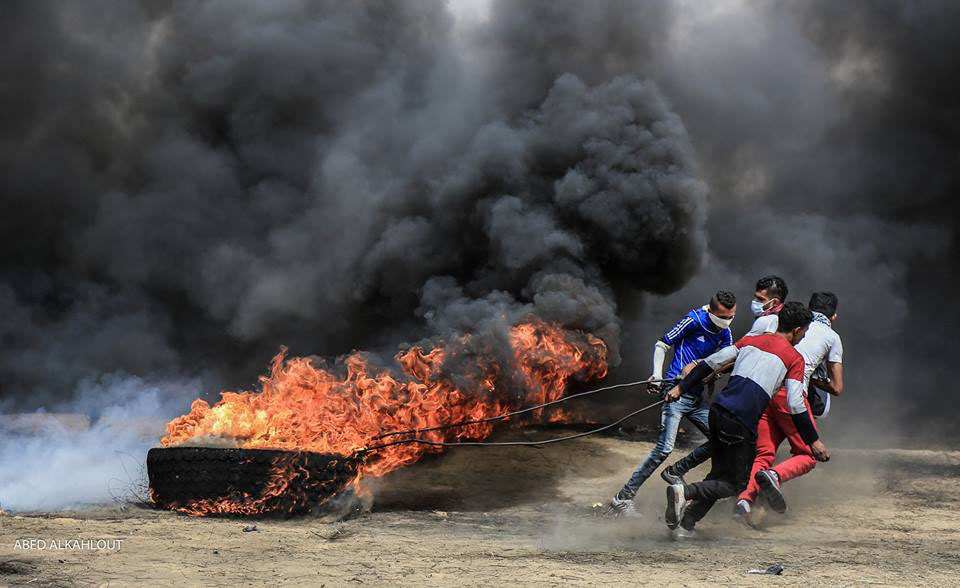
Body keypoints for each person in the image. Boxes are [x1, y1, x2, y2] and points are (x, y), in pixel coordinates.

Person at [661, 301, 830, 537]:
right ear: (797, 330)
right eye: (805, 333)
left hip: (718, 411)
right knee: (737, 484)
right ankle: (685, 492)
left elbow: (711, 363)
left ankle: (688, 523)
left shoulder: (751, 340)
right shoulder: (794, 359)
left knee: (719, 474)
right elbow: (795, 404)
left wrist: (681, 387)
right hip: (741, 420)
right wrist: (813, 441)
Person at [607, 291, 737, 517]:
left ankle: (677, 472)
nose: (728, 322)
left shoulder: (725, 332)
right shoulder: (694, 320)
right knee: (664, 448)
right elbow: (662, 344)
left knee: (720, 439)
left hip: (697, 398)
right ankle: (622, 498)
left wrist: (704, 367)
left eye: (732, 317)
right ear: (713, 311)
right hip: (675, 391)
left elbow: (729, 358)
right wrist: (657, 375)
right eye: (724, 317)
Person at [734, 292, 844, 523]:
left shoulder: (783, 322)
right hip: (791, 396)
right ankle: (774, 476)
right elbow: (836, 387)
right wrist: (813, 378)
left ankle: (744, 500)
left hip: (767, 392)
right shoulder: (832, 337)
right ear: (833, 316)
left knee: (764, 454)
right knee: (808, 455)